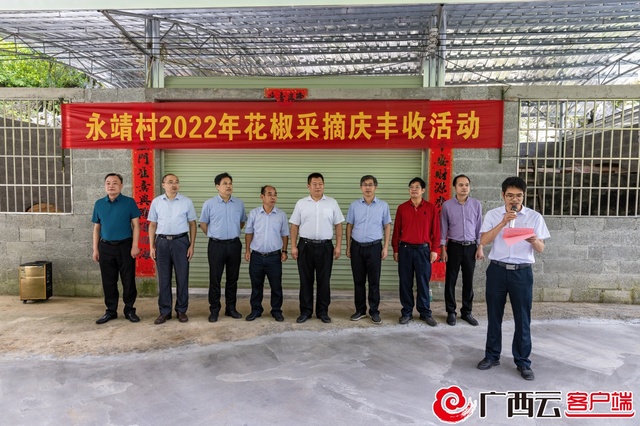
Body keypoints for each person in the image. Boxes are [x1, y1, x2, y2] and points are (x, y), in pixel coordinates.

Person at [476, 176, 550, 381]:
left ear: (523, 196)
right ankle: (492, 356)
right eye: (510, 195)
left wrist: (533, 240)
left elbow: (541, 248)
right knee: (494, 315)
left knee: (522, 318)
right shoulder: (493, 215)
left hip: (522, 272)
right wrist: (503, 222)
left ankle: (523, 361)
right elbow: (483, 240)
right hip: (497, 270)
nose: (514, 199)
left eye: (518, 195)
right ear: (503, 196)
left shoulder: (534, 217)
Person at [290, 172, 344, 324]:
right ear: (308, 186)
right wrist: (293, 246)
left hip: (325, 247)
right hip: (305, 246)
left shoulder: (332, 203)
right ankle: (305, 311)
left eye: (320, 184)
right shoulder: (301, 203)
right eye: (314, 184)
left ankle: (322, 312)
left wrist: (338, 246)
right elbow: (294, 226)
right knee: (305, 280)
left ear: (324, 185)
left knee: (324, 281)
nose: (318, 187)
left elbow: (338, 225)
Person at [147, 174, 197, 325]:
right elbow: (152, 224)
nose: (174, 185)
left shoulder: (186, 202)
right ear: (163, 185)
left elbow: (192, 224)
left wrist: (192, 245)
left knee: (182, 277)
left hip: (181, 242)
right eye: (170, 182)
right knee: (164, 279)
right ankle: (165, 312)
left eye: (176, 182)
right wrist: (151, 245)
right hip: (162, 242)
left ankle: (181, 310)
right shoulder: (156, 202)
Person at [91, 173, 141, 324]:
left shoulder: (129, 202)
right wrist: (95, 249)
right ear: (104, 185)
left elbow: (136, 226)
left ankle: (129, 310)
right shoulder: (99, 204)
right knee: (108, 281)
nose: (111, 186)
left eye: (115, 183)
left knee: (128, 280)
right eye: (108, 183)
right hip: (105, 247)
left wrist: (135, 245)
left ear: (121, 186)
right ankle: (111, 311)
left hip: (125, 246)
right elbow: (96, 228)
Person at [391, 177, 441, 326]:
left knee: (423, 282)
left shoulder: (431, 208)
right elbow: (396, 230)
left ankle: (425, 313)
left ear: (423, 190)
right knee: (405, 282)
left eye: (417, 187)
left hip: (423, 250)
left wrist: (435, 250)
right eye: (411, 187)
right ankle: (407, 312)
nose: (414, 190)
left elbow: (436, 231)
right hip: (405, 250)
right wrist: (395, 249)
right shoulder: (402, 208)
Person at [200, 172, 247, 322]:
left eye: (230, 183)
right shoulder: (209, 204)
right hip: (216, 245)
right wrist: (214, 234)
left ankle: (230, 308)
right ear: (217, 186)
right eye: (225, 183)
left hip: (234, 245)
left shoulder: (239, 203)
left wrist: (232, 233)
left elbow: (242, 222)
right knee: (215, 279)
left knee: (233, 278)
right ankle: (214, 310)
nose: (228, 186)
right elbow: (203, 223)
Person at [345, 175, 392, 324]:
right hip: (357, 247)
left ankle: (374, 311)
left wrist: (386, 247)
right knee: (358, 281)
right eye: (365, 185)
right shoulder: (354, 205)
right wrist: (348, 246)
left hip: (374, 247)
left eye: (370, 185)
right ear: (361, 187)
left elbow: (387, 226)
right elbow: (349, 226)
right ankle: (360, 310)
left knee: (374, 281)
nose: (368, 187)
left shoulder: (383, 206)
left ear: (375, 187)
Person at [440, 174, 484, 326]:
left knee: (468, 281)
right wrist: (443, 249)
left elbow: (479, 227)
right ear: (455, 187)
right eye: (460, 185)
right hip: (454, 246)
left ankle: (467, 312)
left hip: (471, 247)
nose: (464, 188)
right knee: (450, 280)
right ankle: (451, 312)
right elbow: (443, 227)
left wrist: (480, 247)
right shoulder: (447, 206)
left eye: (466, 185)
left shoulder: (476, 204)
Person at [244, 185, 290, 322]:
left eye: (275, 194)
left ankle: (276, 310)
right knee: (256, 286)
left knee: (276, 286)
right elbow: (249, 232)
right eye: (269, 194)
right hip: (256, 256)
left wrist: (284, 251)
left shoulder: (281, 215)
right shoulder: (254, 213)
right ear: (262, 197)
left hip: (274, 257)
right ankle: (256, 310)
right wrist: (247, 250)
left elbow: (285, 234)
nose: (273, 197)